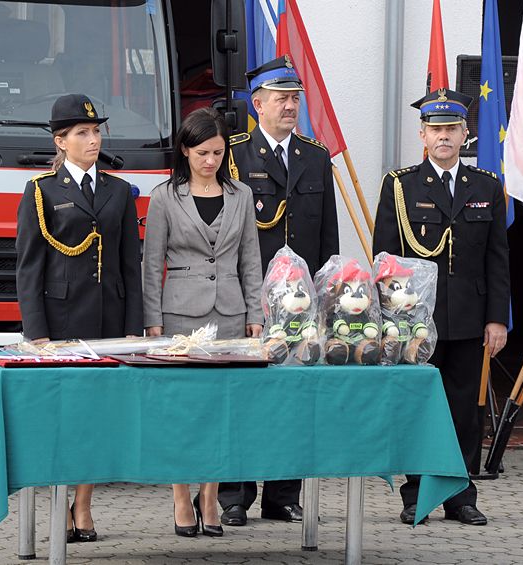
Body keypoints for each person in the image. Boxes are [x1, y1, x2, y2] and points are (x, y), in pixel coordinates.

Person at [372, 88, 510, 526]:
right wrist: (393, 322)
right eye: (436, 129)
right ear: (423, 135)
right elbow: (386, 259)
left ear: (465, 134)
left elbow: (497, 260)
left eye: (452, 128)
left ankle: (460, 496)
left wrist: (496, 319)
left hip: (470, 320)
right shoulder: (401, 186)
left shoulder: (486, 186)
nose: (444, 136)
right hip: (415, 322)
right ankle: (415, 495)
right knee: (417, 407)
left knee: (464, 410)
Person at [15, 93, 144, 543]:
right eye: (83, 133)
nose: (94, 139)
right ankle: (56, 504)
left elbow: (132, 263)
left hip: (109, 323)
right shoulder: (41, 192)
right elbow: (29, 267)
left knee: (97, 418)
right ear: (61, 141)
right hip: (62, 324)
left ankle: (83, 508)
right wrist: (37, 334)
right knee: (62, 417)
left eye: (96, 131)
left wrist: (134, 327)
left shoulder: (118, 190)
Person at [218, 54, 340, 527]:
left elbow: (326, 235)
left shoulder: (315, 156)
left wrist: (328, 297)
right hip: (248, 298)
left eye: (295, 98)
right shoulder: (233, 154)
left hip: (302, 304)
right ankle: (234, 494)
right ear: (258, 104)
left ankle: (284, 494)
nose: (291, 106)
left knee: (294, 398)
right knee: (243, 397)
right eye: (282, 98)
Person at [142, 106, 264, 538]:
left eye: (217, 152)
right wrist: (151, 320)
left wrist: (256, 313)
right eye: (202, 153)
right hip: (179, 317)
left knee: (222, 412)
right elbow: (151, 261)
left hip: (231, 314)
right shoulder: (163, 197)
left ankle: (210, 496)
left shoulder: (242, 195)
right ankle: (180, 496)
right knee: (184, 411)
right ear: (185, 151)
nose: (210, 161)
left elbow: (251, 258)